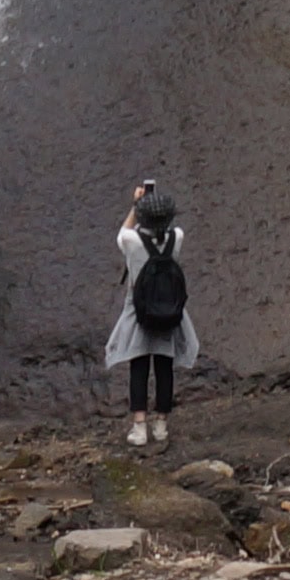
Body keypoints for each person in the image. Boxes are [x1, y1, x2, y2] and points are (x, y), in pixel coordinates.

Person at [107, 182, 194, 445]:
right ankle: (161, 426)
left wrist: (136, 205)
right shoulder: (176, 237)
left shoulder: (132, 241)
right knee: (165, 367)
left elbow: (123, 232)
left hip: (139, 311)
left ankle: (139, 428)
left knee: (139, 367)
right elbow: (167, 229)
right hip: (170, 310)